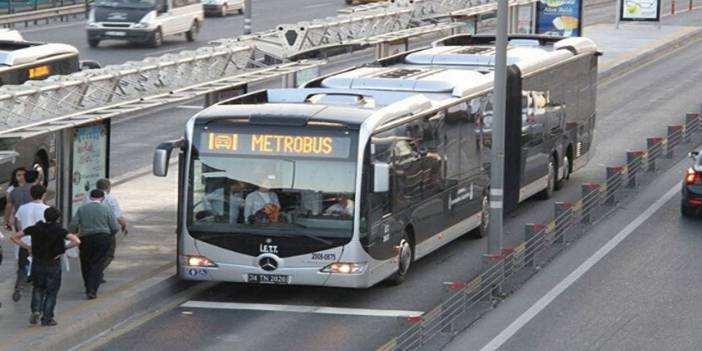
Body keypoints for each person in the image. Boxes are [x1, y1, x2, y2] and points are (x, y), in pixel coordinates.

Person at [11, 207, 80, 326]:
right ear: (58, 218)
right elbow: (76, 241)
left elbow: (14, 237)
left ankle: (36, 310)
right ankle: (47, 318)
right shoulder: (60, 230)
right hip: (53, 263)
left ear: (45, 216)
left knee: (38, 288)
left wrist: (27, 247)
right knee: (51, 291)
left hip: (38, 263)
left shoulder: (35, 228)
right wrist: (64, 248)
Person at [68, 189, 119, 299]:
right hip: (103, 238)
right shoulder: (107, 209)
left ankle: (88, 286)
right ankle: (93, 289)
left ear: (90, 197)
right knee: (98, 263)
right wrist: (109, 235)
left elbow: (73, 225)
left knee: (86, 262)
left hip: (86, 238)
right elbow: (115, 227)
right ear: (103, 198)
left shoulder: (82, 209)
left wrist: (74, 233)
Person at [12, 184, 50, 302]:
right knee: (41, 267)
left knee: (23, 266)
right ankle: (38, 289)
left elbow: (18, 224)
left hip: (25, 241)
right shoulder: (46, 209)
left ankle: (19, 286)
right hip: (41, 244)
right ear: (44, 195)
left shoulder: (23, 208)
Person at [94, 179, 128, 275]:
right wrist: (124, 226)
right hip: (106, 231)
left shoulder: (88, 197)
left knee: (93, 254)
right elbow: (117, 216)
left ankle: (93, 271)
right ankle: (97, 271)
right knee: (109, 253)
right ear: (109, 187)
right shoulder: (110, 198)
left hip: (90, 230)